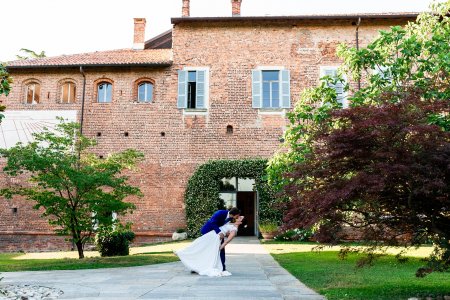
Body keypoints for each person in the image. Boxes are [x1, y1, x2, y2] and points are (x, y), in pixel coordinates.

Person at [175, 221, 241, 277]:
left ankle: (182, 253)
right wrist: (220, 247)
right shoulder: (233, 230)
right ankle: (182, 253)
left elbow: (227, 238)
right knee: (200, 246)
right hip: (214, 237)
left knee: (199, 246)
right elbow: (226, 241)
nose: (227, 235)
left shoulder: (231, 226)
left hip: (212, 235)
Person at [200, 207, 241, 272]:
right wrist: (219, 232)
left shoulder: (231, 218)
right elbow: (212, 222)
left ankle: (222, 266)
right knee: (205, 250)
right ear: (234, 214)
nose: (238, 217)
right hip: (208, 232)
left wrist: (226, 232)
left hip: (218, 236)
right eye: (237, 215)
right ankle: (199, 266)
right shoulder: (220, 213)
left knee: (221, 250)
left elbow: (225, 224)